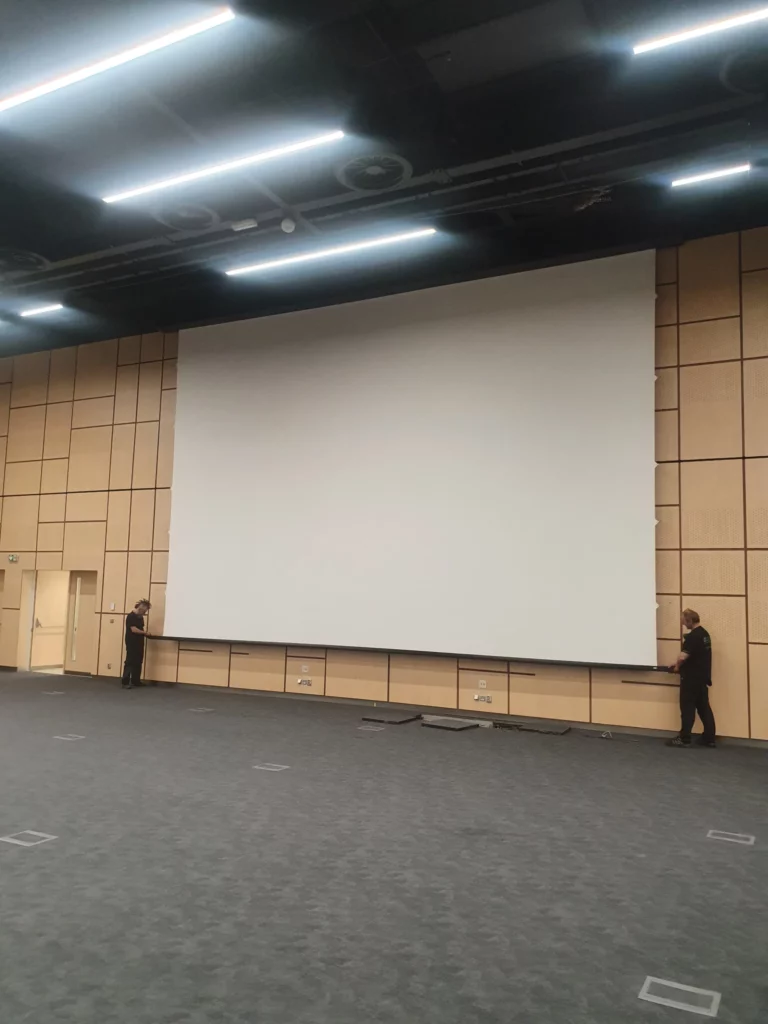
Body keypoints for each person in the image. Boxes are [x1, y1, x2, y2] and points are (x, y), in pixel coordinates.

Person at [666, 608, 716, 748]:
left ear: (690, 620)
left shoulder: (693, 637)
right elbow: (697, 655)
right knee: (704, 708)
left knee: (687, 708)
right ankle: (709, 738)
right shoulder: (705, 634)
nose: (683, 624)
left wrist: (677, 667)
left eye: (684, 621)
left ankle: (684, 738)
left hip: (690, 679)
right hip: (702, 678)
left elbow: (683, 657)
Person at [122, 599, 151, 690]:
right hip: (131, 642)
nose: (145, 613)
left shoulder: (140, 617)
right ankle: (125, 682)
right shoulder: (131, 616)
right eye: (145, 610)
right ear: (140, 608)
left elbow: (140, 629)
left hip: (139, 642)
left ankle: (136, 681)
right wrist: (144, 633)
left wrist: (144, 634)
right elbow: (133, 629)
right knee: (130, 661)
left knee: (138, 661)